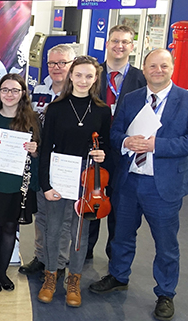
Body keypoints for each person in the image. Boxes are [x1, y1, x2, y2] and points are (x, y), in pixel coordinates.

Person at [89, 48, 187, 321]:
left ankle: (166, 293)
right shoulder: (131, 99)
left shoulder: (186, 100)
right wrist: (124, 141)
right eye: (152, 66)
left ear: (172, 67)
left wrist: (157, 145)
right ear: (143, 70)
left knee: (166, 244)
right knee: (121, 235)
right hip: (129, 180)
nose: (158, 70)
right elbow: (115, 130)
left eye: (163, 66)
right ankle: (119, 275)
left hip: (163, 185)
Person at [37, 55, 110, 308]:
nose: (83, 80)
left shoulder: (102, 110)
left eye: (89, 76)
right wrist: (45, 185)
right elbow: (45, 149)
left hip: (87, 180)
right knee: (54, 230)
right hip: (60, 177)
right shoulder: (56, 108)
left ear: (95, 79)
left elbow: (107, 146)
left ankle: (74, 281)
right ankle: (50, 277)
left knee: (80, 233)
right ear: (71, 76)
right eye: (78, 75)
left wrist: (104, 154)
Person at [87, 24, 147, 260]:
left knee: (120, 211)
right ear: (107, 43)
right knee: (90, 202)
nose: (119, 46)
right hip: (94, 150)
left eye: (125, 42)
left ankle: (115, 259)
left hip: (125, 154)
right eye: (115, 41)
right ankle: (85, 254)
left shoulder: (141, 79)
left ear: (132, 46)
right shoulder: (92, 73)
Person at [20, 44, 76, 280]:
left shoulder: (78, 96)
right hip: (41, 163)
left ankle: (59, 261)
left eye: (62, 63)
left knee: (63, 219)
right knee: (42, 214)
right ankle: (41, 257)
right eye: (52, 63)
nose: (56, 68)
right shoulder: (40, 92)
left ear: (72, 65)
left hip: (67, 165)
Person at [0, 74, 39, 292]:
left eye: (15, 90)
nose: (9, 94)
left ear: (23, 93)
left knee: (9, 228)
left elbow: (38, 156)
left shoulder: (32, 119)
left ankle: (4, 272)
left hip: (17, 185)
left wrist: (34, 151)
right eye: (5, 90)